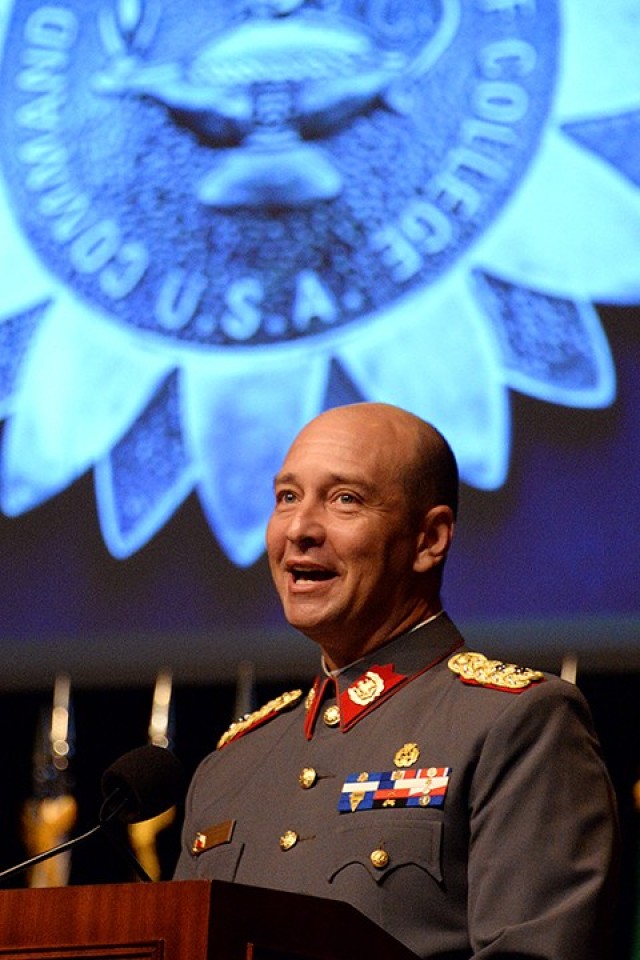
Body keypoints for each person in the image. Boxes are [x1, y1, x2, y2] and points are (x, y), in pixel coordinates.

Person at [174, 401, 619, 959]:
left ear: (429, 539)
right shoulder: (232, 763)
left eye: (345, 500)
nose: (300, 530)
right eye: (287, 497)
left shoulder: (518, 724)